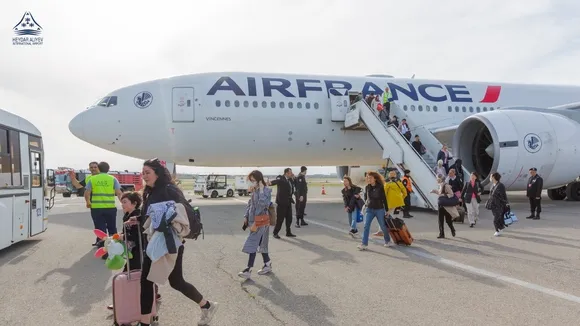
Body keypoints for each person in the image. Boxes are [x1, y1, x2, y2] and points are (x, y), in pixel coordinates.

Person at [138, 158, 218, 326]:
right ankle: (207, 306)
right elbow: (150, 215)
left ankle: (144, 322)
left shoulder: (168, 190)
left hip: (168, 243)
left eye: (148, 172)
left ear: (157, 174)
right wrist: (137, 219)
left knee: (149, 281)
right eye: (143, 172)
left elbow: (183, 214)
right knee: (174, 282)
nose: (144, 176)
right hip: (157, 241)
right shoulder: (150, 191)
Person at [107, 191, 161, 310]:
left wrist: (123, 237)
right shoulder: (127, 215)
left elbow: (138, 235)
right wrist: (119, 235)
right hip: (132, 251)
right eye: (122, 202)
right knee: (141, 274)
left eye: (125, 202)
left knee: (128, 275)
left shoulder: (138, 216)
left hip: (139, 251)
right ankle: (154, 293)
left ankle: (122, 302)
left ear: (134, 203)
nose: (123, 205)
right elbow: (126, 232)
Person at [84, 162, 123, 251]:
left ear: (99, 169)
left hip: (96, 208)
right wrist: (123, 203)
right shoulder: (113, 179)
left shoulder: (92, 179)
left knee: (100, 228)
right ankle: (115, 245)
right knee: (112, 227)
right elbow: (119, 193)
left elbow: (87, 192)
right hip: (110, 208)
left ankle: (102, 246)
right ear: (108, 169)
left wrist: (88, 202)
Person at [358, 171, 392, 250]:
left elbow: (384, 199)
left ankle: (388, 241)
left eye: (370, 178)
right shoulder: (367, 187)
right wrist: (365, 207)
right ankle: (364, 244)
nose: (368, 179)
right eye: (367, 178)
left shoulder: (380, 187)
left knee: (383, 226)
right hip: (369, 209)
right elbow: (366, 199)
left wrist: (386, 210)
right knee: (366, 226)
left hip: (379, 209)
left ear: (375, 179)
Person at [69, 162, 101, 246]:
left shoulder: (103, 177)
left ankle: (110, 243)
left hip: (107, 205)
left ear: (99, 168)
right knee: (97, 225)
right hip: (94, 205)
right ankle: (100, 241)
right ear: (89, 168)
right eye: (91, 167)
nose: (93, 169)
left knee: (107, 226)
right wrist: (73, 178)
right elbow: (78, 185)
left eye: (95, 167)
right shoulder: (89, 178)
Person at [269, 168, 297, 238]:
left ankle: (288, 232)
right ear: (286, 173)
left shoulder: (290, 180)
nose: (292, 174)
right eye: (290, 173)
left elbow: (293, 186)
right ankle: (275, 233)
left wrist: (294, 178)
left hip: (288, 202)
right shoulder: (281, 178)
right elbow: (276, 181)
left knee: (289, 218)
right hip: (281, 203)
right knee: (280, 219)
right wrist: (270, 183)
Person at [487, 172, 509, 236]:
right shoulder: (493, 185)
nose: (490, 178)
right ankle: (501, 228)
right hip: (493, 205)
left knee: (495, 219)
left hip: (499, 205)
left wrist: (506, 203)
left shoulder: (500, 185)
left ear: (494, 177)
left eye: (491, 176)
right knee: (498, 218)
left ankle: (497, 230)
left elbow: (504, 195)